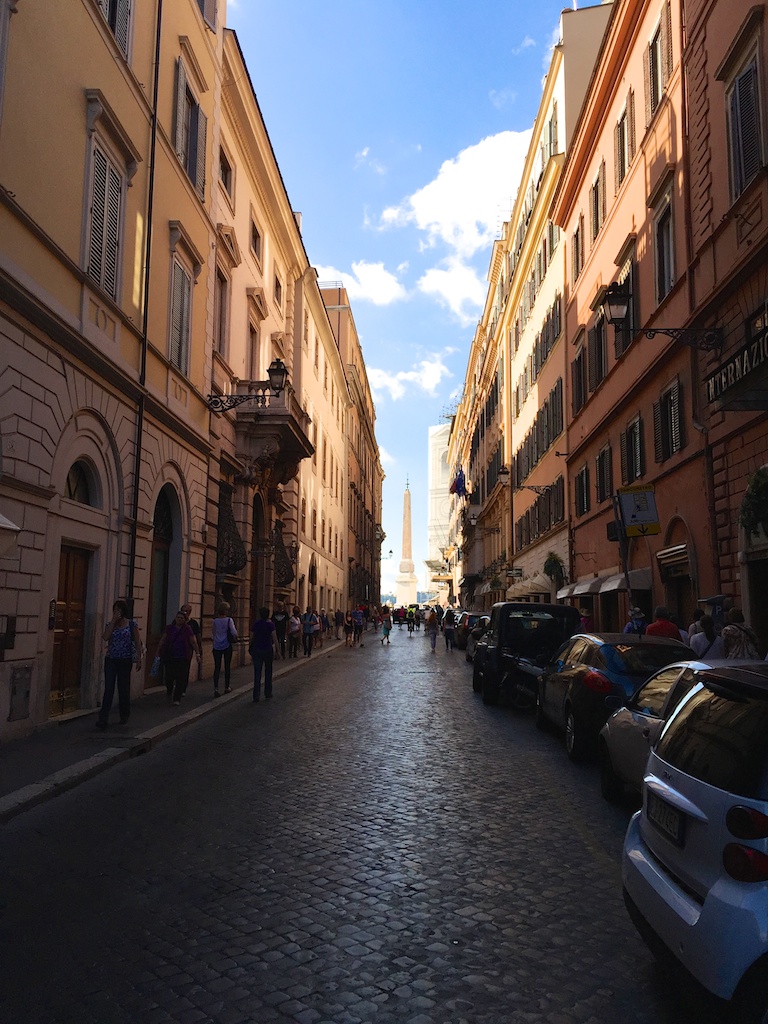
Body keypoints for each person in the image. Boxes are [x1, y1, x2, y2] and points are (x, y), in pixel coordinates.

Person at [98, 600, 143, 728]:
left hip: (125, 660)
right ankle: (103, 718)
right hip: (111, 659)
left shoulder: (131, 624)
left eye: (119, 610)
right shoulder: (110, 624)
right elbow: (105, 637)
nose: (116, 612)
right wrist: (113, 622)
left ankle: (124, 715)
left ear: (123, 611)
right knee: (109, 688)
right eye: (115, 610)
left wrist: (138, 658)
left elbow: (137, 641)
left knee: (123, 688)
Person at [157, 609, 200, 705]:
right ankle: (169, 692)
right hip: (170, 656)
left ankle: (177, 698)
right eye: (178, 617)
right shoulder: (169, 628)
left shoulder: (187, 629)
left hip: (183, 657)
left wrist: (197, 654)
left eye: (181, 618)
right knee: (169, 677)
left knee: (180, 678)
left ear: (185, 620)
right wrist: (158, 652)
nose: (179, 619)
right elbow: (163, 640)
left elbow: (193, 641)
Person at [249, 606, 278, 700]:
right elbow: (274, 638)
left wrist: (250, 649)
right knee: (268, 672)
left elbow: (251, 637)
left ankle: (256, 695)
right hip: (268, 650)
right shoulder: (270, 625)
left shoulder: (256, 624)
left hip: (257, 650)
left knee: (257, 673)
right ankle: (268, 692)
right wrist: (278, 651)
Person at [212, 602, 237, 697]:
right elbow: (234, 632)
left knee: (217, 667)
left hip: (216, 645)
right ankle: (227, 687)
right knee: (227, 666)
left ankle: (216, 688)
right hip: (227, 645)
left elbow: (213, 633)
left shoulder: (215, 621)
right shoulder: (229, 620)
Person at [181, 603, 202, 680]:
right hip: (177, 648)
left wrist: (199, 650)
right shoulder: (177, 621)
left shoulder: (193, 623)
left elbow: (198, 637)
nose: (184, 613)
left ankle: (182, 688)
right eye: (183, 611)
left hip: (188, 649)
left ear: (190, 612)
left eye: (186, 611)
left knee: (185, 668)